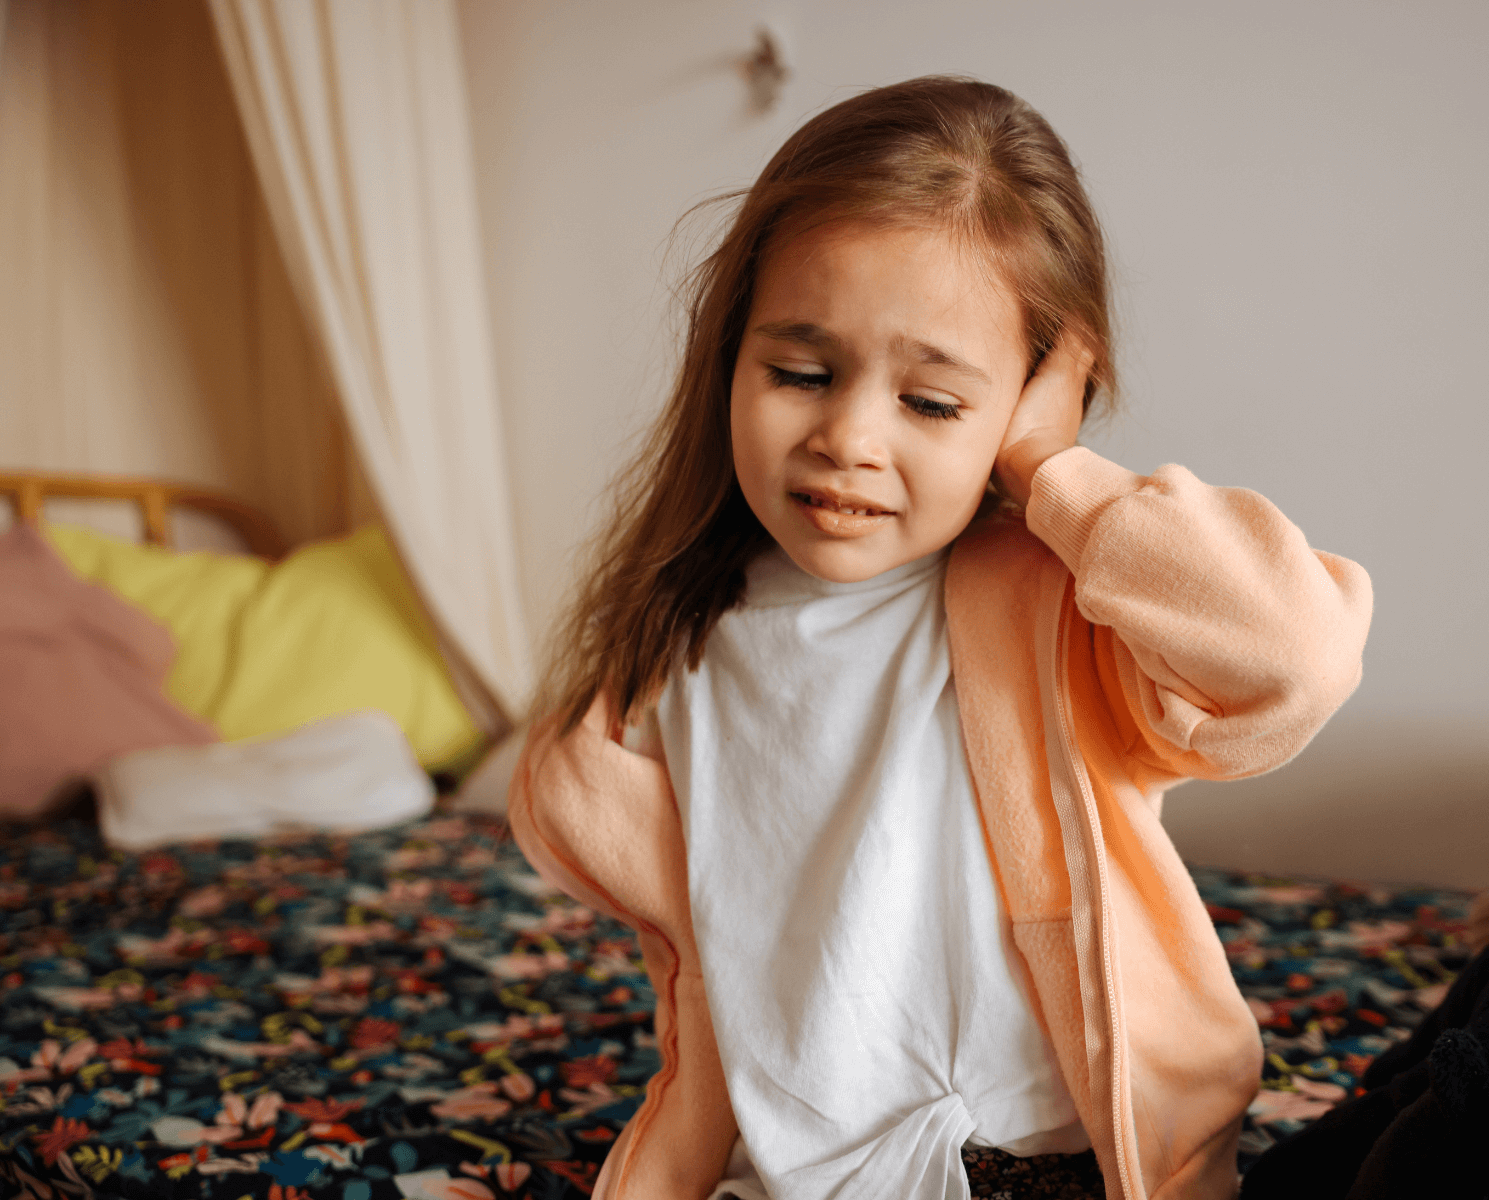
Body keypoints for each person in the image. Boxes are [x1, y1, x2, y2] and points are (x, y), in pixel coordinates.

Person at [509, 75, 1374, 1200]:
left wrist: (1049, 471)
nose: (849, 437)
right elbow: (712, 981)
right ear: (730, 356)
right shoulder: (684, 643)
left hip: (1057, 1164)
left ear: (1034, 392)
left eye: (931, 403)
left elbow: (1292, 656)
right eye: (801, 374)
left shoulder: (1063, 609)